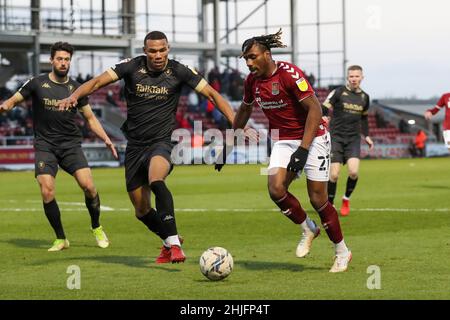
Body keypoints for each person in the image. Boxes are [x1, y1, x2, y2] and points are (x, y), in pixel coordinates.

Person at [58, 31, 235, 264]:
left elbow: (212, 94)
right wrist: (74, 96)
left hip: (161, 142)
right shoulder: (131, 67)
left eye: (162, 50)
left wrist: (236, 124)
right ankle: (168, 241)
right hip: (134, 146)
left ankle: (174, 245)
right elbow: (98, 81)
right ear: (145, 51)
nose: (158, 55)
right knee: (141, 210)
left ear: (168, 48)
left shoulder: (179, 70)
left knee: (156, 179)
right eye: (152, 51)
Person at [216, 29, 352, 273]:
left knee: (318, 199)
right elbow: (244, 112)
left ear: (267, 54)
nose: (248, 63)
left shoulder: (290, 75)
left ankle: (342, 251)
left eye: (252, 56)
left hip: (314, 137)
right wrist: (228, 145)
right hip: (282, 139)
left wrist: (303, 149)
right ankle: (308, 228)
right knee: (276, 189)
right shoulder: (252, 81)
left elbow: (315, 110)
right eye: (245, 58)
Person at [0, 42, 117, 251]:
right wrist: (5, 106)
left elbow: (90, 118)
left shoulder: (76, 89)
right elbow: (13, 100)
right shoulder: (36, 83)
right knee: (47, 191)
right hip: (45, 146)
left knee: (89, 187)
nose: (63, 63)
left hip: (71, 145)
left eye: (67, 59)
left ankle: (96, 226)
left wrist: (106, 138)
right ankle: (61, 238)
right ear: (51, 60)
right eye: (60, 59)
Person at [322, 65, 374, 216]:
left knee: (353, 172)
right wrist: (324, 116)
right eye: (351, 76)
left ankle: (346, 198)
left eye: (357, 76)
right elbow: (324, 106)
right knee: (334, 175)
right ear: (347, 77)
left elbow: (364, 119)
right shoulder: (338, 92)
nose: (354, 79)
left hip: (353, 139)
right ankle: (330, 205)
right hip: (337, 138)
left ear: (362, 78)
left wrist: (367, 136)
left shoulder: (365, 97)